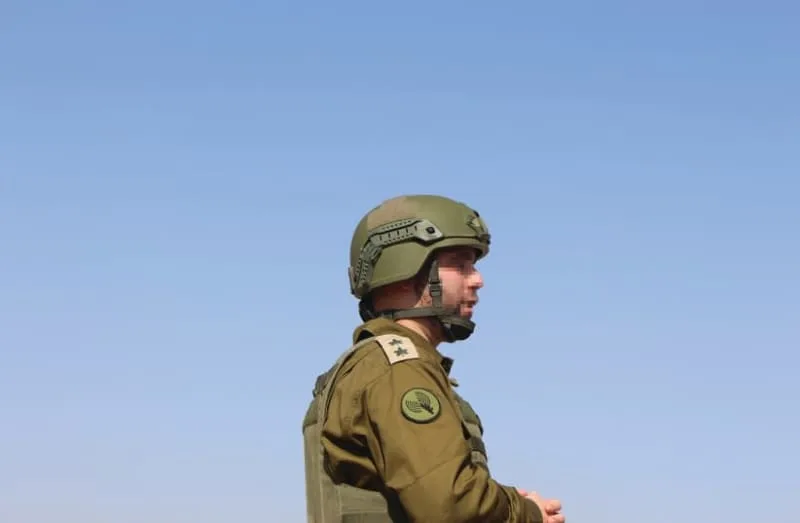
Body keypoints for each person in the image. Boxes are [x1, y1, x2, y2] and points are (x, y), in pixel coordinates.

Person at [302, 194, 565, 522]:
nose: (477, 280)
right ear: (407, 267)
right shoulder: (399, 370)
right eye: (460, 264)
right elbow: (451, 505)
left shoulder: (372, 365)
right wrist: (526, 513)